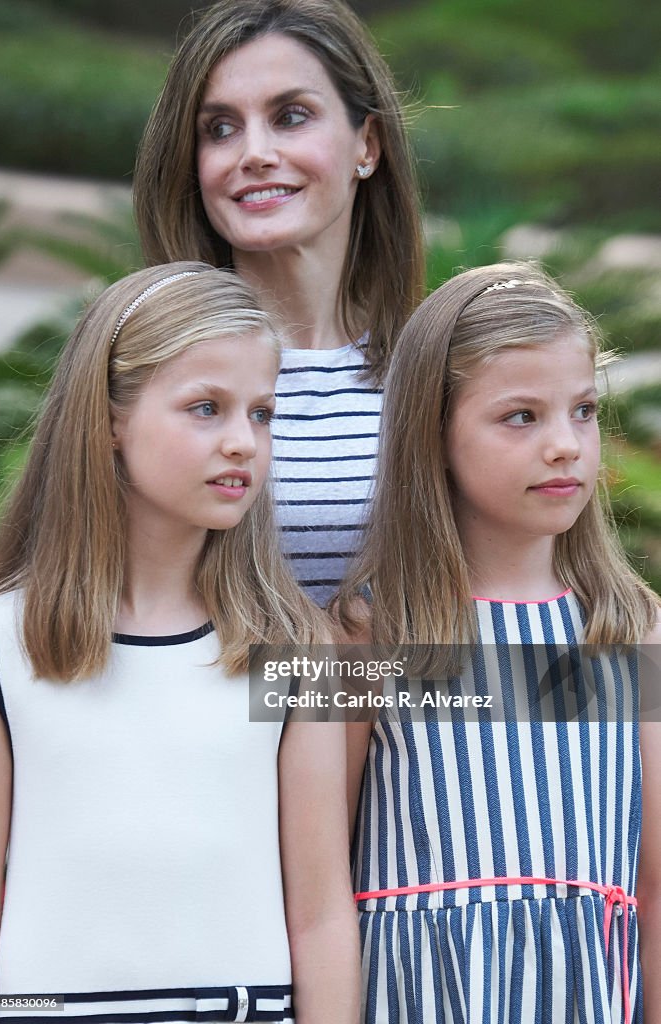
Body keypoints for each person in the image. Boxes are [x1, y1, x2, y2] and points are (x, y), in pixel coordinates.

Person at [0, 263, 359, 1024]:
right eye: (205, 408)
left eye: (261, 413)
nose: (242, 443)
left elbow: (321, 916)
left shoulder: (296, 650)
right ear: (111, 417)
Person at [337, 262, 661, 1022]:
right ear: (433, 432)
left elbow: (657, 887)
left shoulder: (635, 630)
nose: (566, 446)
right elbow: (305, 887)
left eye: (582, 411)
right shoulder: (358, 634)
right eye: (521, 416)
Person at [133, 0, 425, 607]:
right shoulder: (140, 366)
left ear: (366, 145)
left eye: (291, 117)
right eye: (220, 128)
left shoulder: (438, 368)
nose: (254, 153)